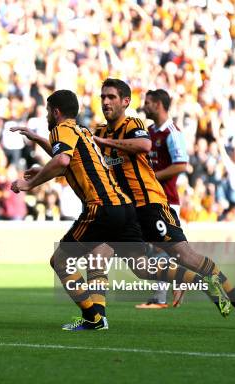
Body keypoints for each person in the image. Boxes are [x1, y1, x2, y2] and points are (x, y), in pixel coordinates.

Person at [93, 78, 235, 330]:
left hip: (153, 204)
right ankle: (97, 318)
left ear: (125, 102)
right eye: (102, 96)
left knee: (185, 255)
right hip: (125, 211)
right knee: (123, 263)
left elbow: (149, 147)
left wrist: (111, 147)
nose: (105, 101)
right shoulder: (100, 132)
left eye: (111, 97)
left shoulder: (136, 126)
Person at [11, 90, 143, 331]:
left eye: (48, 111)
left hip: (101, 207)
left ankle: (93, 318)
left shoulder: (61, 130)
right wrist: (38, 147)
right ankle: (207, 280)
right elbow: (64, 160)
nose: (47, 116)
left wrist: (30, 184)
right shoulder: (82, 131)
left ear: (55, 111)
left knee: (60, 260)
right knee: (143, 267)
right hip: (123, 205)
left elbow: (61, 160)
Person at [136, 88, 189, 309]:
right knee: (156, 248)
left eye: (148, 103)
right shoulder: (149, 131)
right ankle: (170, 288)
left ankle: (162, 295)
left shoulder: (172, 133)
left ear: (158, 105)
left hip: (166, 199)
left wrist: (152, 177)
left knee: (163, 248)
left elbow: (180, 165)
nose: (144, 106)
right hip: (150, 198)